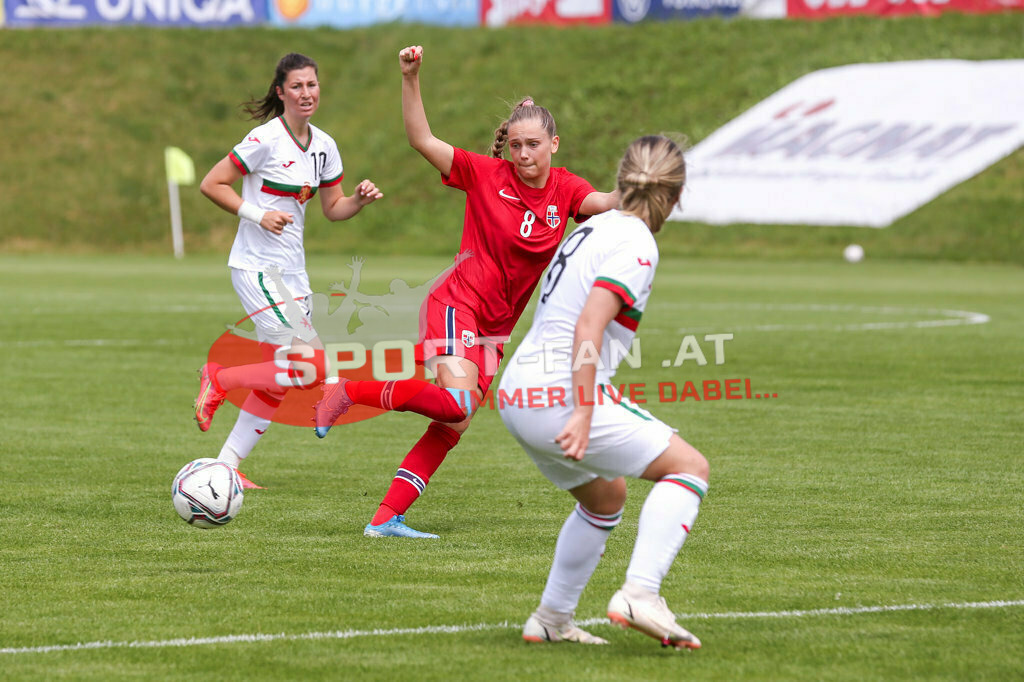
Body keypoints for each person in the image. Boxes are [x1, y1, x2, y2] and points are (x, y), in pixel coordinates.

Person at [314, 44, 619, 538]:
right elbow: (421, 139)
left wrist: (644, 186)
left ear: (554, 144)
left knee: (455, 422)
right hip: (457, 304)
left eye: (534, 145)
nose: (524, 155)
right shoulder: (485, 174)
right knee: (456, 402)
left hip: (495, 327)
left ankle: (386, 518)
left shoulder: (565, 189)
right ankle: (346, 390)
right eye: (516, 145)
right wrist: (410, 77)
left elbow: (605, 203)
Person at [498, 135, 708, 650]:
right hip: (557, 393)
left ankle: (551, 618)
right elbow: (589, 325)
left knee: (606, 496)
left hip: (515, 391)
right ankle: (640, 594)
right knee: (689, 468)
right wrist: (585, 411)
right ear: (676, 196)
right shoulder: (637, 242)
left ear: (621, 180)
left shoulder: (597, 224)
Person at [194, 52, 384, 488]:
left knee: (278, 380)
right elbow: (212, 183)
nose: (306, 93)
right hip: (258, 270)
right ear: (280, 92)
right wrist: (257, 214)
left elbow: (334, 208)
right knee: (310, 368)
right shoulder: (264, 140)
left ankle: (226, 466)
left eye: (312, 84)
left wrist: (358, 200)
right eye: (297, 86)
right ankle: (218, 378)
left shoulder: (324, 146)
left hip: (292, 275)